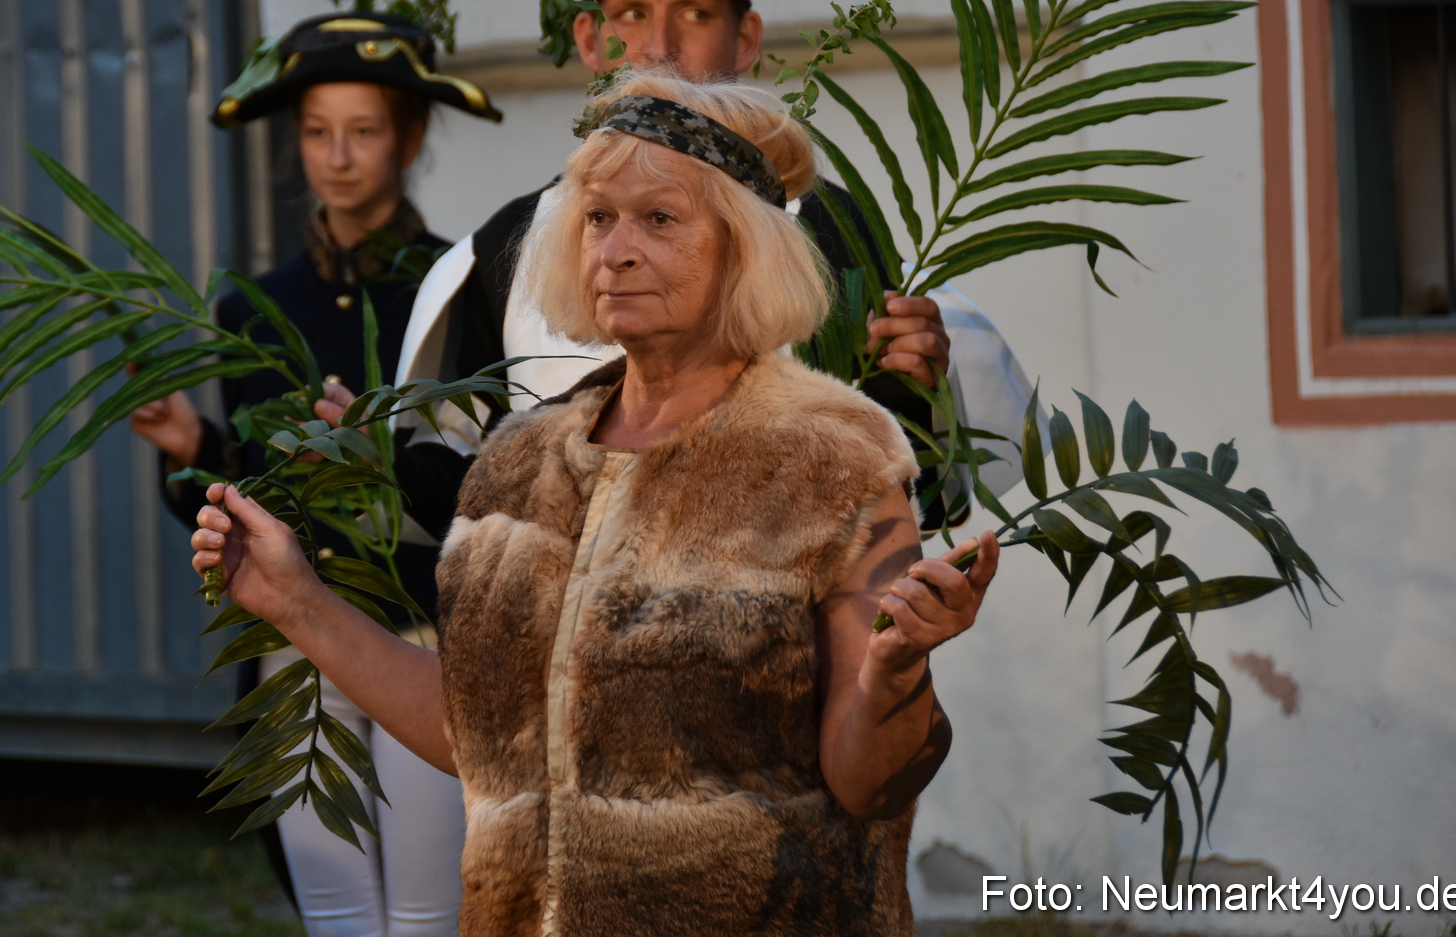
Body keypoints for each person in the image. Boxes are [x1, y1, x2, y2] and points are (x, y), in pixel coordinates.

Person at [191, 72, 1000, 936]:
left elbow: (869, 782)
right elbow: (487, 736)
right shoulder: (520, 463)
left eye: (660, 219)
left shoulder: (835, 459)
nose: (615, 250)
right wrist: (294, 599)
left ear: (743, 248)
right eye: (598, 217)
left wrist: (897, 668)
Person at [383, 0, 1036, 550]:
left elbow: (910, 499)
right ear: (588, 39)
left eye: (695, 13)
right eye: (631, 14)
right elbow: (458, 493)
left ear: (745, 38)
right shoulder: (507, 247)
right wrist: (365, 468)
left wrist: (917, 390)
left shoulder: (827, 231)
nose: (660, 47)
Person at [130, 10, 500, 937]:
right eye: (316, 131)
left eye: (363, 131)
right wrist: (195, 449)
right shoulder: (255, 308)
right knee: (332, 913)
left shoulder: (464, 289)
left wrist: (387, 465)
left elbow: (495, 482)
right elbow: (252, 492)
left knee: (428, 916)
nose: (337, 156)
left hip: (425, 638)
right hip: (293, 646)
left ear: (409, 137)